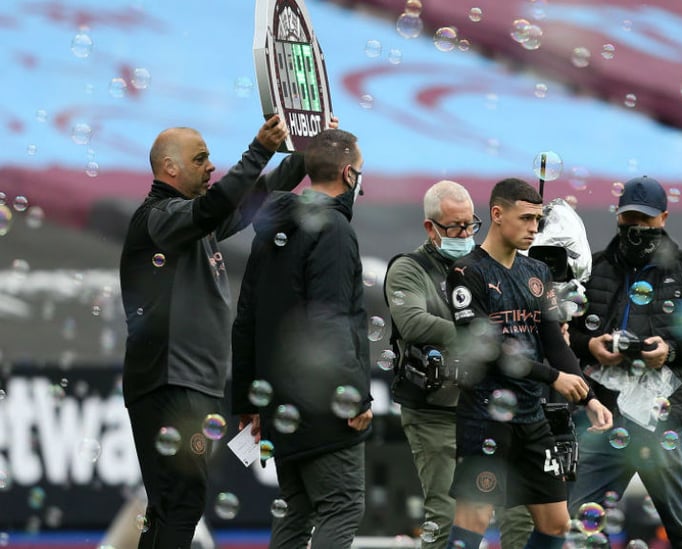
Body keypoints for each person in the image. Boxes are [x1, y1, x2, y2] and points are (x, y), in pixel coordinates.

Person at [119, 115, 291, 548]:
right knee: (180, 504)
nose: (211, 167)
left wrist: (307, 154)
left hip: (185, 382)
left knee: (168, 506)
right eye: (201, 159)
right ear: (170, 168)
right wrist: (259, 149)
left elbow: (249, 201)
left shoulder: (191, 224)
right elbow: (215, 207)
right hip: (172, 380)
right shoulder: (158, 218)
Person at [444, 178, 614, 549]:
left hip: (531, 416)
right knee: (474, 521)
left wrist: (590, 398)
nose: (534, 229)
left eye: (538, 220)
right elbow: (489, 349)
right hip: (484, 417)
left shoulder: (537, 273)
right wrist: (553, 378)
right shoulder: (466, 271)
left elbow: (554, 343)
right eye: (525, 219)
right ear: (497, 214)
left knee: (556, 524)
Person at [566, 176, 682, 548]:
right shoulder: (595, 267)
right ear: (618, 218)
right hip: (602, 416)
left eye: (646, 219)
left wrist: (668, 351)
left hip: (663, 419)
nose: (637, 228)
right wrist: (591, 345)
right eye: (630, 219)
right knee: (575, 523)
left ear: (664, 219)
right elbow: (565, 335)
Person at [231, 128, 373, 549]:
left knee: (297, 507)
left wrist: (246, 402)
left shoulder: (270, 231)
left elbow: (246, 321)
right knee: (343, 505)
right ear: (349, 174)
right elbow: (329, 322)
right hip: (325, 401)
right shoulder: (334, 230)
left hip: (277, 399)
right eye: (361, 174)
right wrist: (354, 394)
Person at [384, 180, 534, 549]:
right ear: (430, 228)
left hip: (491, 408)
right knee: (447, 515)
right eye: (455, 227)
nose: (466, 234)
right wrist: (475, 333)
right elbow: (413, 323)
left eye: (471, 224)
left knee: (521, 513)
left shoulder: (490, 267)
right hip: (436, 412)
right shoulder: (408, 269)